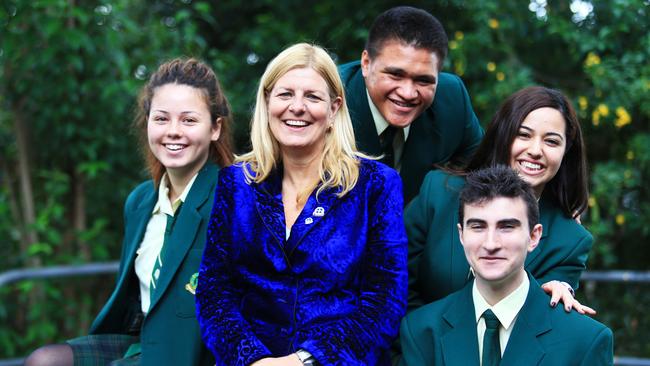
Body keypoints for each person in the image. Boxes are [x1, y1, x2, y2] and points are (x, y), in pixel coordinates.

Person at [196, 43, 407, 366]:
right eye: (285, 95)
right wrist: (253, 359)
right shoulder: (236, 184)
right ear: (267, 102)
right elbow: (214, 292)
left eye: (312, 96)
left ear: (334, 109)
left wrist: (305, 361)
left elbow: (385, 302)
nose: (297, 107)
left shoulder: (376, 185)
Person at [25, 58, 234, 366]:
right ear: (147, 121)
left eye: (189, 121)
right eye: (161, 119)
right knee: (44, 361)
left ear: (215, 128)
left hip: (192, 353)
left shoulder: (233, 197)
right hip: (143, 339)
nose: (173, 131)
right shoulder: (139, 201)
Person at [406, 86, 594, 314]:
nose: (535, 150)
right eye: (523, 135)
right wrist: (415, 341)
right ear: (503, 136)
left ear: (566, 151)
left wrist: (555, 288)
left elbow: (543, 319)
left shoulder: (570, 240)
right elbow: (396, 279)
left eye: (551, 141)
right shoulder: (439, 191)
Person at [400, 166, 613, 366]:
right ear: (461, 234)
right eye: (478, 226)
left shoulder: (584, 340)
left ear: (533, 236)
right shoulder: (421, 331)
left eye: (507, 227)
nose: (491, 244)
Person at [339, 6, 484, 202]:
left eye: (423, 80)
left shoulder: (453, 99)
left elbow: (484, 172)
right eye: (395, 75)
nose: (407, 93)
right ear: (366, 63)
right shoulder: (327, 96)